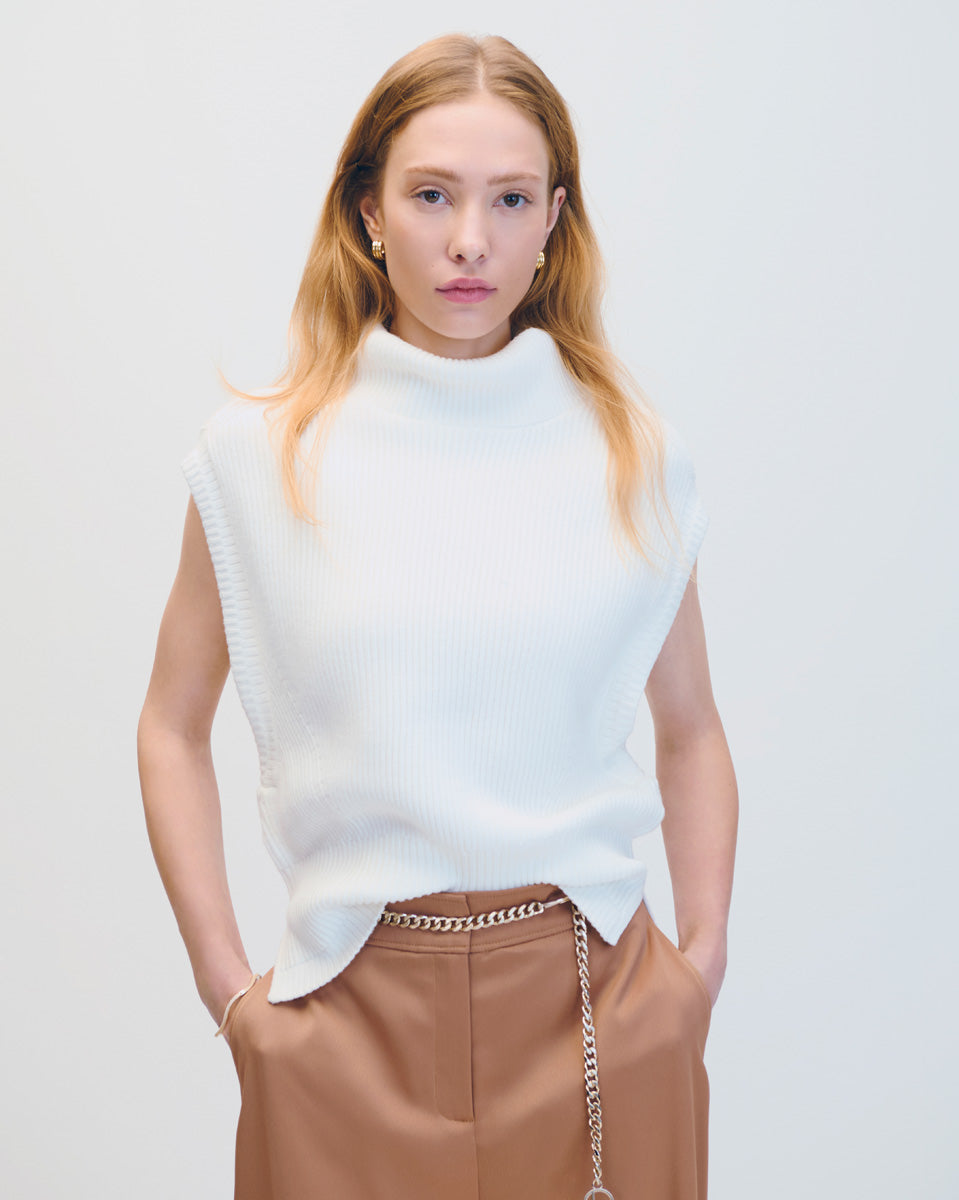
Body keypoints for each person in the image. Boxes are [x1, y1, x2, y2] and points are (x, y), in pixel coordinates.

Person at [137, 32, 738, 1200]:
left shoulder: (630, 454)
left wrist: (697, 970)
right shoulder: (259, 457)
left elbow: (691, 726)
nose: (471, 240)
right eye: (430, 195)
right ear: (367, 210)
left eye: (509, 198)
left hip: (596, 1013)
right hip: (344, 1017)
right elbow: (170, 723)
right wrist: (229, 992)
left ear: (553, 217)